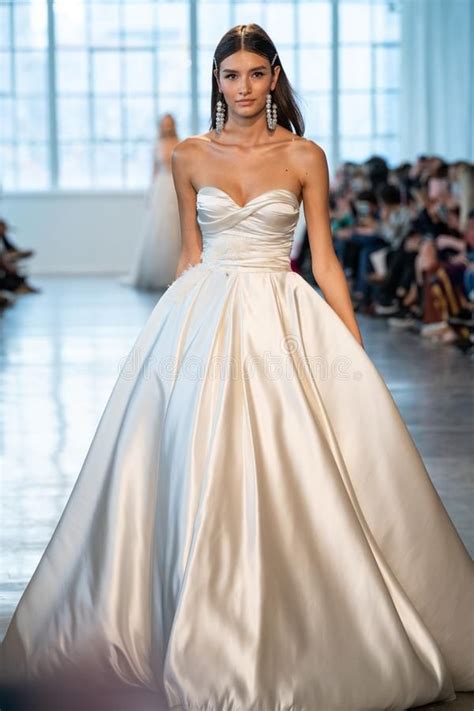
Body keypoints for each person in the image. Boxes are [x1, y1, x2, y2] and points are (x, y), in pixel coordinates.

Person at [0, 22, 473, 711]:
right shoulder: (189, 156)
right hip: (203, 314)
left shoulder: (306, 155)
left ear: (274, 76)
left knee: (295, 460)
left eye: (255, 73)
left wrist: (353, 345)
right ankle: (203, 624)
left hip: (283, 312)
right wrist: (169, 338)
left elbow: (326, 260)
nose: (243, 87)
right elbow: (192, 253)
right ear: (217, 81)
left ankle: (294, 626)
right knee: (197, 462)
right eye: (231, 75)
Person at [122, 113, 182, 290]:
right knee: (158, 230)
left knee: (176, 229)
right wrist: (150, 193)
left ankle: (177, 272)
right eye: (164, 124)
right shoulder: (157, 146)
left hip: (175, 185)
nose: (167, 127)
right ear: (160, 126)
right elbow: (154, 172)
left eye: (170, 124)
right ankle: (156, 274)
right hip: (161, 188)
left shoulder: (181, 143)